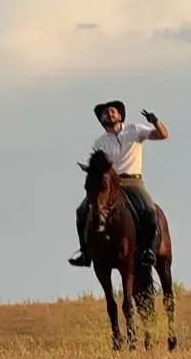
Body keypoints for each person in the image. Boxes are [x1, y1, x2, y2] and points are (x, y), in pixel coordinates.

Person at [68, 99, 169, 268]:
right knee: (82, 211)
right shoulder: (100, 142)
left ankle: (149, 250)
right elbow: (97, 167)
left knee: (150, 209)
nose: (109, 114)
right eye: (105, 113)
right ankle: (85, 252)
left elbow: (163, 135)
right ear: (102, 120)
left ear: (120, 115)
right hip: (110, 185)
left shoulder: (135, 130)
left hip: (133, 182)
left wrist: (155, 122)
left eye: (112, 111)